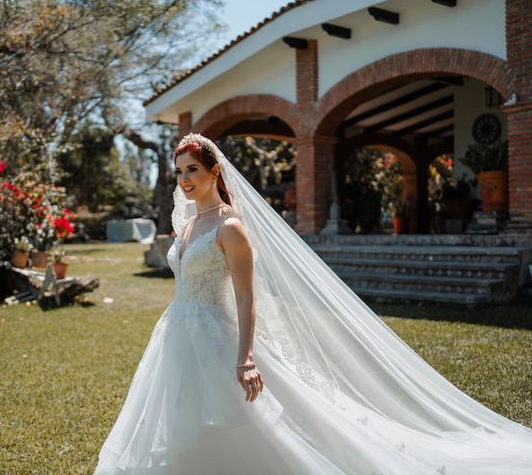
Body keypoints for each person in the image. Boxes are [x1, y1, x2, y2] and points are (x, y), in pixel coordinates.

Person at [94, 134, 532, 474]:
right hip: (179, 333)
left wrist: (245, 358)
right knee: (183, 412)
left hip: (219, 335)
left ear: (214, 172)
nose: (185, 179)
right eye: (179, 172)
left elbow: (246, 297)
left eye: (192, 169)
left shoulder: (230, 226)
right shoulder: (188, 222)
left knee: (256, 423)